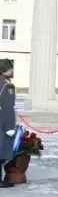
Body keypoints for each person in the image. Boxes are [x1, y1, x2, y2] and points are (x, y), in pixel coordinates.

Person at [0, 59, 16, 188]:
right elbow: (7, 107)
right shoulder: (7, 85)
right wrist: (10, 127)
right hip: (2, 122)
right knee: (2, 152)